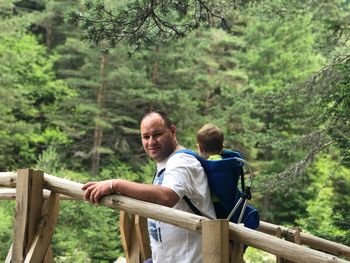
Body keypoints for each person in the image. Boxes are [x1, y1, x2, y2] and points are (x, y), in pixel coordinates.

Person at [82, 111, 216, 263]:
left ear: (172, 131)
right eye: (146, 137)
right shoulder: (167, 162)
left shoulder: (182, 162)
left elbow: (166, 197)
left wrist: (115, 184)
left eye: (157, 134)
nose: (151, 142)